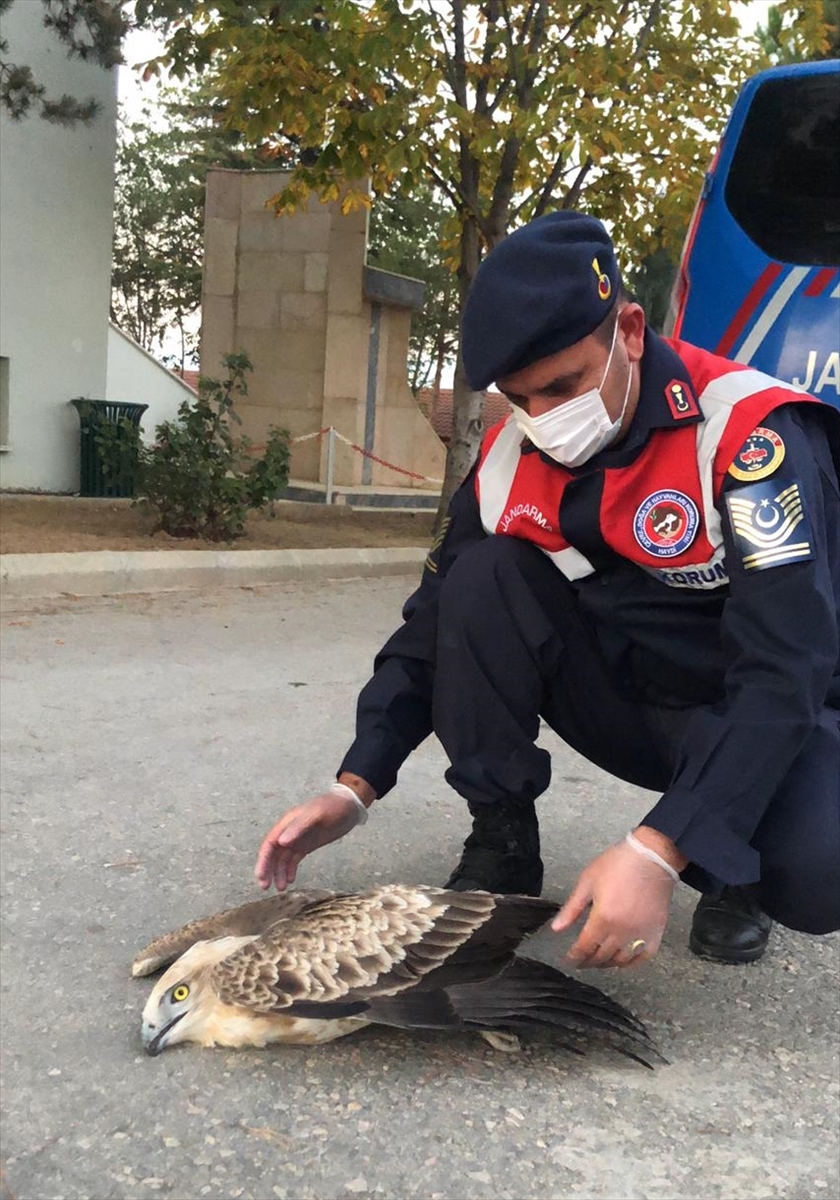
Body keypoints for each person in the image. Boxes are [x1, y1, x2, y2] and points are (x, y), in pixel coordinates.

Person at [255, 211, 840, 970]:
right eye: (520, 397)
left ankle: (731, 860)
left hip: (762, 706)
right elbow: (430, 626)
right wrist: (355, 785)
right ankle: (502, 837)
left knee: (821, 865)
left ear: (630, 331)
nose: (545, 420)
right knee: (481, 578)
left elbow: (787, 667)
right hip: (633, 697)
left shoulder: (748, 436)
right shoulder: (509, 457)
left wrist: (661, 848)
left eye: (564, 385)